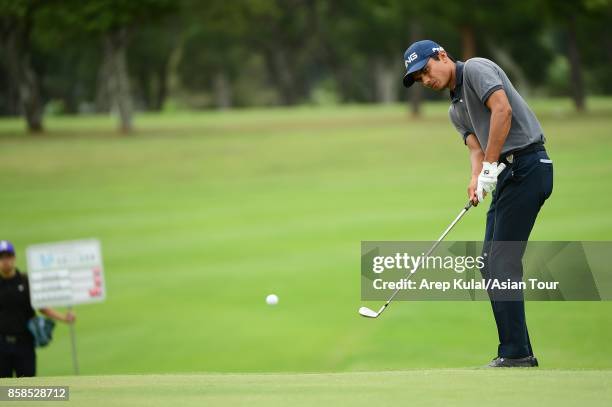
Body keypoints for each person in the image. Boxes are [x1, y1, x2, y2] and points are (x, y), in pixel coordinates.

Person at [402, 40, 553, 367]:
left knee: (502, 261)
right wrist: (476, 178)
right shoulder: (455, 110)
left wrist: (490, 166)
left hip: (528, 166)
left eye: (426, 70)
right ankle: (518, 351)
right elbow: (476, 149)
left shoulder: (476, 69)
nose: (426, 80)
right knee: (490, 262)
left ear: (441, 55)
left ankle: (516, 354)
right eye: (418, 79)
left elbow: (503, 110)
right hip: (507, 174)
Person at [0, 240, 76, 377]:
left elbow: (42, 307)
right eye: (2, 257)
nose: (5, 261)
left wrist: (64, 318)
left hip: (24, 342)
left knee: (28, 389)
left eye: (8, 256)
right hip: (1, 343)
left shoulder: (25, 281)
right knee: (3, 391)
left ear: (14, 258)